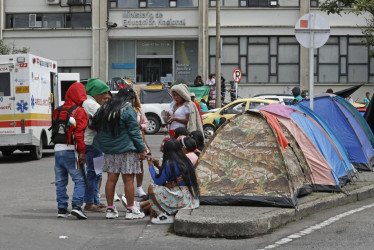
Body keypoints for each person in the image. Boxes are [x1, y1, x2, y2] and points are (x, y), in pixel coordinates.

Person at [93, 87, 146, 220]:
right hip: (127, 149)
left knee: (111, 179)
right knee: (128, 179)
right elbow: (134, 132)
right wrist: (141, 150)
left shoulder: (105, 108)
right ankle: (130, 210)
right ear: (131, 98)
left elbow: (95, 124)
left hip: (110, 150)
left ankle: (110, 209)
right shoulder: (128, 109)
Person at [53, 82, 89, 219]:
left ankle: (62, 209)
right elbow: (79, 134)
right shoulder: (79, 111)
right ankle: (77, 206)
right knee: (79, 179)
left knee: (60, 181)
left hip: (57, 150)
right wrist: (82, 152)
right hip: (71, 150)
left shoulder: (57, 110)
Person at [147, 139, 200, 224]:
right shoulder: (185, 160)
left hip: (181, 197)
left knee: (151, 189)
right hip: (190, 197)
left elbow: (158, 181)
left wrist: (150, 167)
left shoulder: (169, 163)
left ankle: (165, 215)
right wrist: (159, 166)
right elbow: (171, 175)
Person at [82, 78, 110, 213]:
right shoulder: (90, 104)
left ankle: (95, 201)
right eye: (103, 93)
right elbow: (106, 119)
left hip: (96, 144)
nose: (105, 96)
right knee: (93, 173)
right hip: (92, 143)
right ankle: (89, 203)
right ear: (97, 93)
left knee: (97, 174)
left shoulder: (90, 102)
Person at [132, 91, 149, 198]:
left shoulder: (139, 110)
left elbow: (146, 123)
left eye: (133, 98)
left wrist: (141, 127)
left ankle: (139, 187)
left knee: (140, 164)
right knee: (126, 166)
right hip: (127, 141)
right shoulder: (122, 110)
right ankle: (127, 187)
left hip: (139, 139)